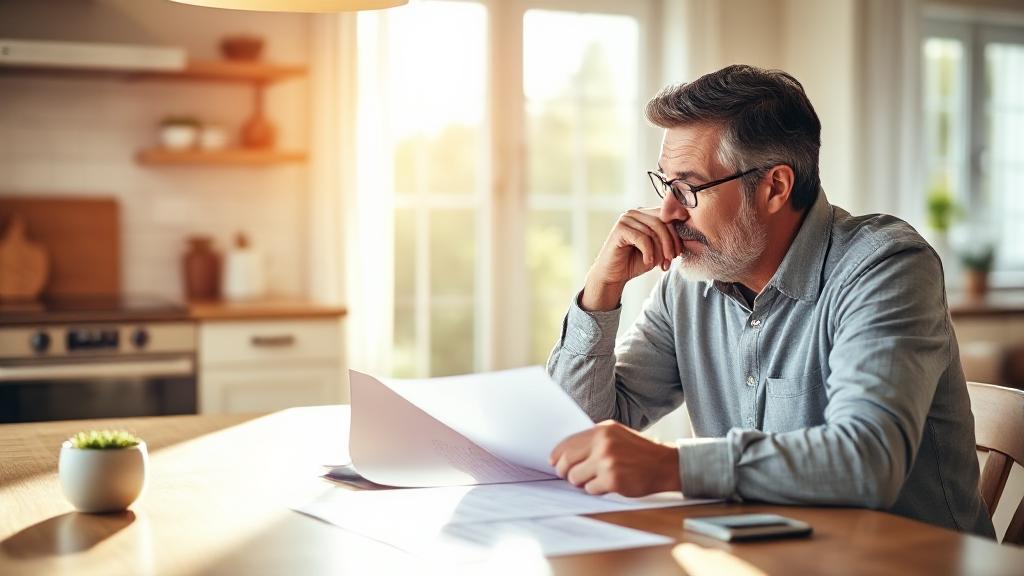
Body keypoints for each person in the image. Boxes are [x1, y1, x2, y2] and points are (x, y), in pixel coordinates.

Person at [545, 64, 995, 538]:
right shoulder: (689, 283)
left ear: (774, 187)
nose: (669, 212)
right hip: (768, 559)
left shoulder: (886, 266)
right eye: (666, 185)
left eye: (689, 188)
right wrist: (601, 292)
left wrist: (673, 465)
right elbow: (576, 435)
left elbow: (869, 461)